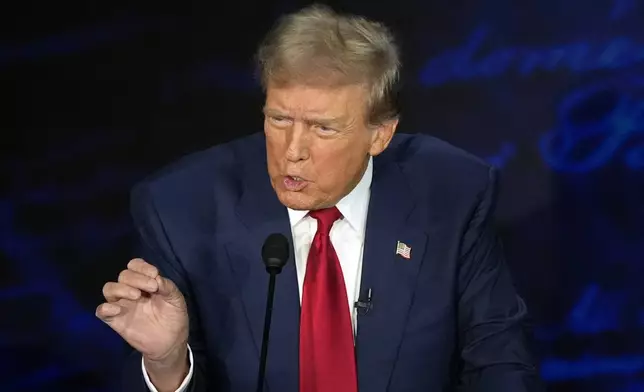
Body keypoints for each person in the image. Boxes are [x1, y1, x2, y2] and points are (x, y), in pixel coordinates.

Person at [96, 4, 544, 392]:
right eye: (279, 119)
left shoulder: (451, 192)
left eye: (323, 128)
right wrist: (167, 362)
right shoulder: (180, 208)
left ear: (380, 134)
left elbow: (499, 361)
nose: (293, 151)